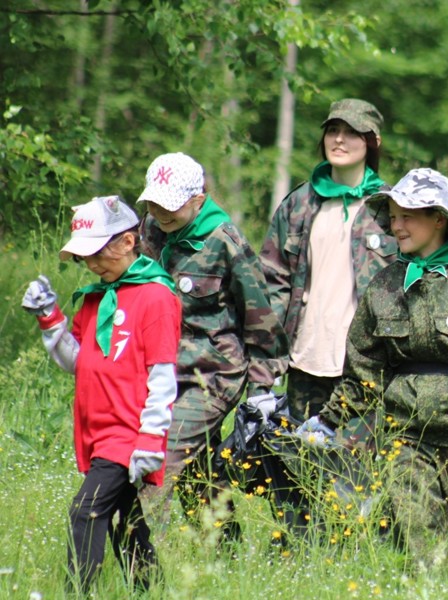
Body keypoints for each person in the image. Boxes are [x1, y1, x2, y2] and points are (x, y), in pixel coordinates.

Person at [299, 168, 448, 560]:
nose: (397, 226)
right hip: (406, 432)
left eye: (408, 216)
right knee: (417, 534)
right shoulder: (386, 284)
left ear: (439, 219)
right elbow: (365, 369)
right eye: (393, 216)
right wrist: (328, 420)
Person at [21, 196, 180, 592]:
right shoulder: (94, 298)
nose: (91, 264)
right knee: (127, 524)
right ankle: (150, 590)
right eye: (84, 256)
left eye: (97, 252)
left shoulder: (156, 296)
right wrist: (49, 320)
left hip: (128, 433)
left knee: (85, 512)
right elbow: (78, 360)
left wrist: (151, 439)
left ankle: (76, 593)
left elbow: (163, 374)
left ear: (128, 242)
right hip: (97, 431)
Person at [137, 152, 287, 540]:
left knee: (161, 457)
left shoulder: (225, 241)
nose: (161, 213)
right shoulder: (151, 230)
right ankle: (227, 551)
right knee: (198, 473)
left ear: (198, 199)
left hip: (212, 375)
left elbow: (261, 319)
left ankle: (141, 557)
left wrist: (261, 392)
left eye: (171, 206)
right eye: (154, 203)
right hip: (163, 371)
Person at [260, 98, 397, 423]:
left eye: (352, 132)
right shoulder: (298, 203)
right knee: (301, 464)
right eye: (332, 130)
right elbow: (272, 285)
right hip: (306, 358)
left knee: (359, 470)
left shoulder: (392, 206)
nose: (339, 139)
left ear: (371, 142)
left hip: (368, 363)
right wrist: (266, 366)